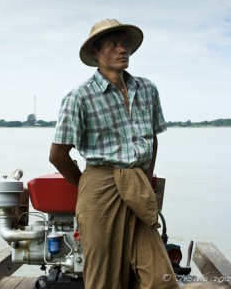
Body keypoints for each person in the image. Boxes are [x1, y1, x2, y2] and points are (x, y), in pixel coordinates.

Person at [49, 19, 178, 289]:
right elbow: (58, 155)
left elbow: (151, 139)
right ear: (96, 53)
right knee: (105, 278)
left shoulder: (147, 89)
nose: (123, 50)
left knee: (159, 279)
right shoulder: (80, 97)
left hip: (138, 184)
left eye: (126, 44)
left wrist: (146, 177)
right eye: (114, 44)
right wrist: (85, 183)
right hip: (100, 187)